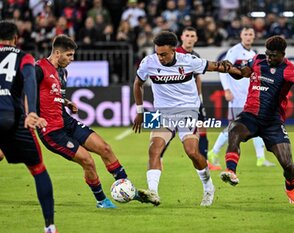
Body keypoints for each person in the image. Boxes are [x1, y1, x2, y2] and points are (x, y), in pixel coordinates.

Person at [35, 34, 157, 208]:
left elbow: (52, 95)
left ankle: (129, 190)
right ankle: (102, 201)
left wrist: (67, 102)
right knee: (88, 160)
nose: (72, 59)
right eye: (69, 55)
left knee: (105, 149)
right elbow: (26, 93)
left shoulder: (62, 72)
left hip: (66, 121)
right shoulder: (38, 69)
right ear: (56, 53)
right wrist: (32, 115)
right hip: (51, 130)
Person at [133, 31, 244, 206]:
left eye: (164, 54)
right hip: (161, 112)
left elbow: (216, 66)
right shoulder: (149, 62)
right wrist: (140, 111)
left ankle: (208, 187)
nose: (160, 58)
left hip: (188, 111)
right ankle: (153, 192)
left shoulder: (189, 61)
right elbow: (137, 83)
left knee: (192, 151)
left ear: (174, 50)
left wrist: (238, 71)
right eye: (157, 53)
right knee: (154, 149)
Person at [220, 35, 294, 204]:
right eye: (267, 54)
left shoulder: (288, 69)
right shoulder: (257, 60)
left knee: (288, 165)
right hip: (250, 116)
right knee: (234, 129)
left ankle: (290, 189)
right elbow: (241, 73)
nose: (269, 58)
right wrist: (229, 69)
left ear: (282, 54)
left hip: (272, 123)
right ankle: (231, 171)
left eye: (273, 55)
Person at [0, 20, 57, 233]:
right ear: (16, 38)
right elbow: (30, 79)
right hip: (12, 118)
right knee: (38, 169)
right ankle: (50, 227)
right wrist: (32, 111)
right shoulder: (23, 56)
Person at [207, 27, 275, 169]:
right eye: (246, 34)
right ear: (241, 36)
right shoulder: (234, 51)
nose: (248, 37)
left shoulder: (254, 54)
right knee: (234, 127)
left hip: (250, 96)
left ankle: (261, 158)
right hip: (236, 96)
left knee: (257, 125)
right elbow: (223, 70)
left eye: (251, 34)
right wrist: (227, 89)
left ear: (254, 36)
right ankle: (213, 152)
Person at [174, 26, 221, 170]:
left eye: (191, 36)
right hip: (176, 100)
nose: (189, 38)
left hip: (194, 100)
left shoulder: (195, 56)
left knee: (202, 128)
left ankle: (205, 162)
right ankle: (159, 159)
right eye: (186, 35)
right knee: (168, 132)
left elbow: (197, 78)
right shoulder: (175, 54)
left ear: (196, 39)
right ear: (182, 37)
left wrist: (199, 97)